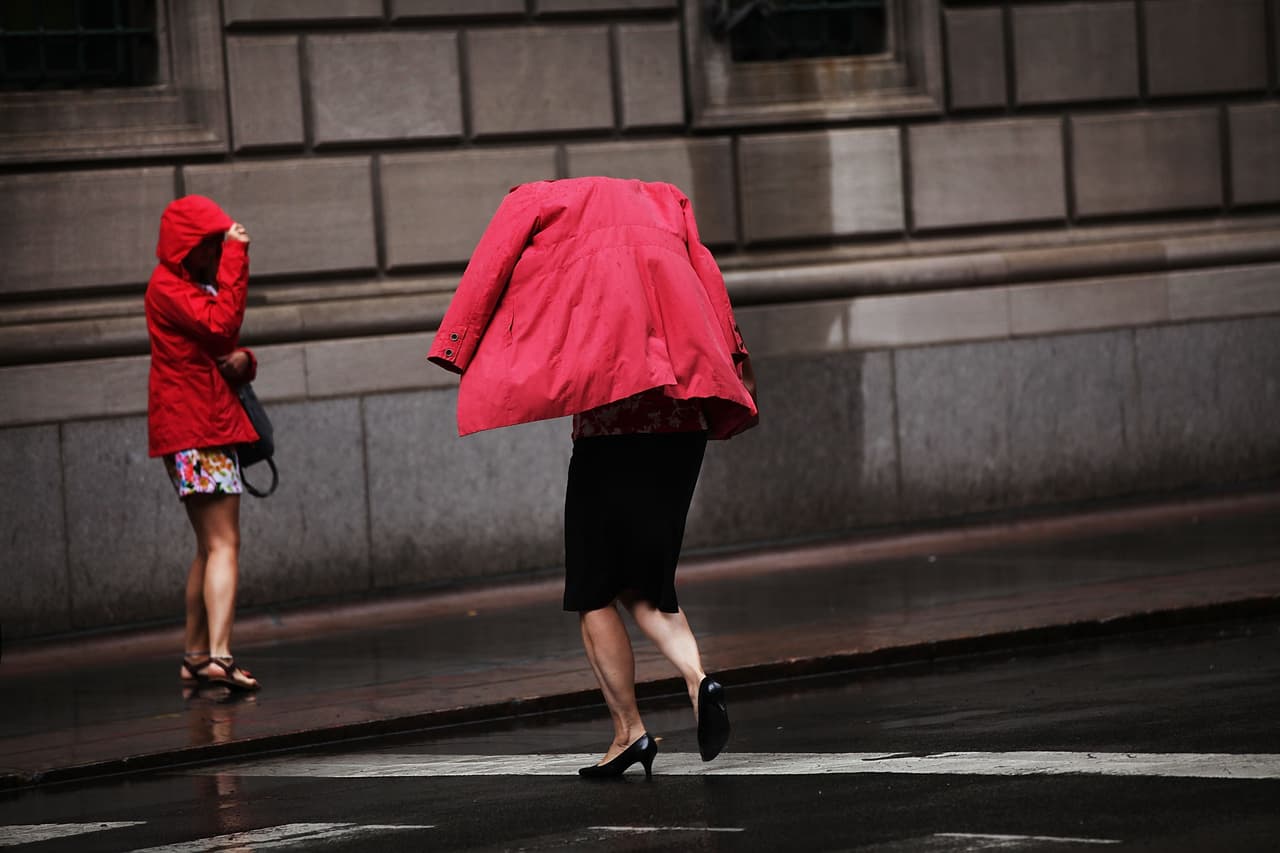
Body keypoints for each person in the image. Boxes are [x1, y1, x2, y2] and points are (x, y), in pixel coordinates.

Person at [428, 177, 758, 777]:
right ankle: (698, 678)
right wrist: (736, 360)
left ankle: (629, 732)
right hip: (681, 424)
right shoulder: (668, 204)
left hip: (612, 432)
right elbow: (709, 284)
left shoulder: (540, 202)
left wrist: (459, 343)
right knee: (650, 585)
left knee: (593, 590)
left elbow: (488, 272)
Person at [146, 195, 261, 692]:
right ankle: (219, 655)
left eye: (220, 246)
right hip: (199, 430)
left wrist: (246, 362)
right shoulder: (169, 286)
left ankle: (196, 656)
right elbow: (222, 325)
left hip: (198, 426)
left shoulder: (186, 285)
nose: (217, 253)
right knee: (224, 544)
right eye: (210, 245)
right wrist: (238, 254)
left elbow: (218, 346)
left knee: (207, 547)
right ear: (187, 247)